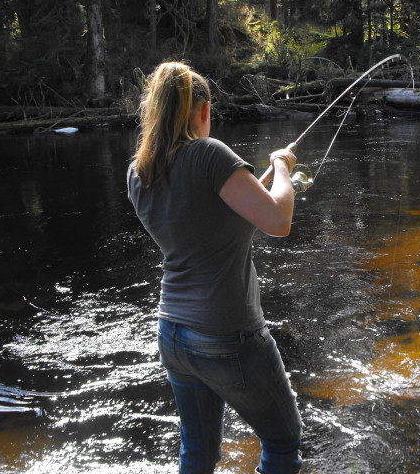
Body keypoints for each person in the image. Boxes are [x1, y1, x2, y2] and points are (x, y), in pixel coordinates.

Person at [126, 61, 303, 474]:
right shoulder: (208, 153)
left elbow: (203, 223)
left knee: (198, 453)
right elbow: (278, 221)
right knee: (282, 440)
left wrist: (250, 188)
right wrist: (280, 167)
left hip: (172, 332)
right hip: (227, 332)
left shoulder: (138, 171)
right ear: (203, 110)